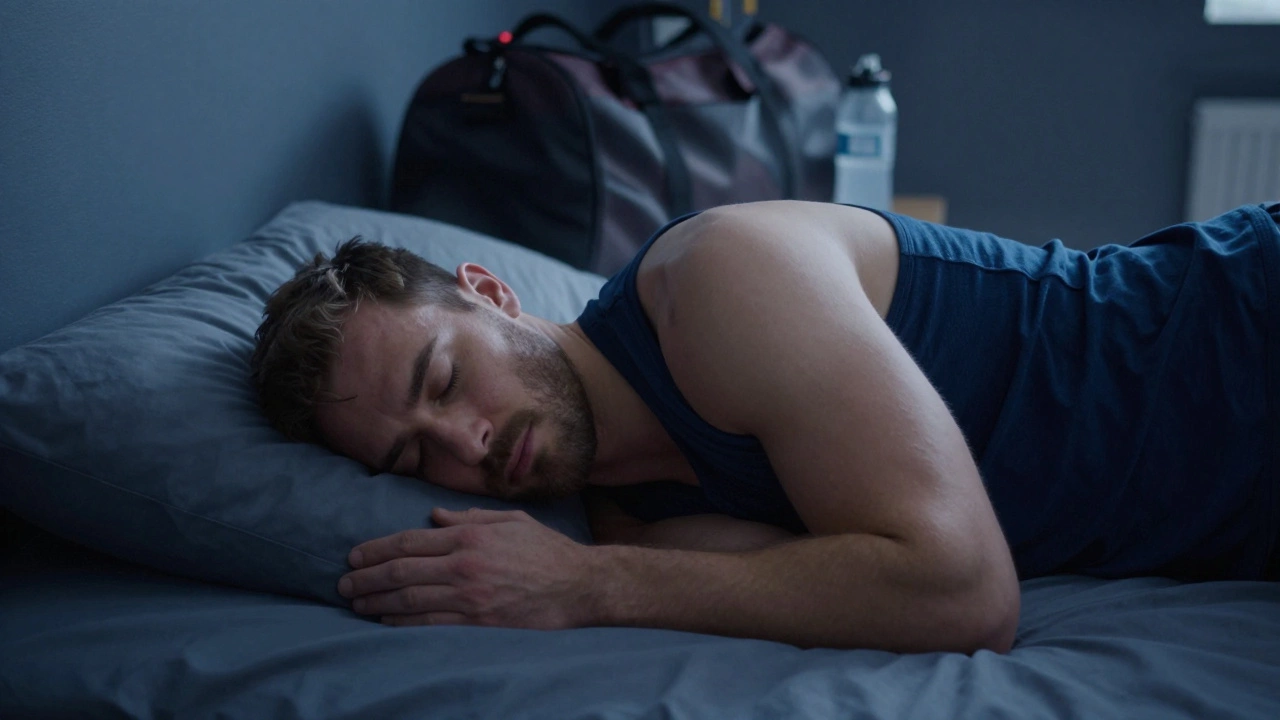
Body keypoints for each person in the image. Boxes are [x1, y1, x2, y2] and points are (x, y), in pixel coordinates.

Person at [249, 200, 1280, 655]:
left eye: (445, 379)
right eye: (412, 457)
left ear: (490, 292)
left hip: (1241, 329)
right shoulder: (634, 523)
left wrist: (587, 588)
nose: (465, 445)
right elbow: (872, 599)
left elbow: (963, 592)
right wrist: (608, 572)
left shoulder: (717, 281)